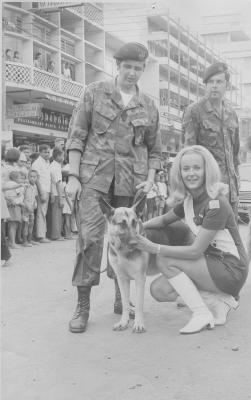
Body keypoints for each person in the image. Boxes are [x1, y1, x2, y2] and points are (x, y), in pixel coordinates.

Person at [65, 42, 162, 333]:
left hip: (131, 183)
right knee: (91, 241)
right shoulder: (94, 92)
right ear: (117, 67)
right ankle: (83, 306)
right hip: (95, 180)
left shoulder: (148, 105)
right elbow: (76, 136)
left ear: (142, 70)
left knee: (129, 240)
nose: (132, 73)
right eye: (127, 67)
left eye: (137, 68)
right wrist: (72, 176)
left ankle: (123, 299)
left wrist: (152, 176)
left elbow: (155, 149)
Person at [134, 145, 248, 334]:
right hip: (210, 265)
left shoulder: (215, 202)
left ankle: (201, 313)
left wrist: (154, 247)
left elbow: (195, 251)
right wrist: (137, 227)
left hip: (231, 268)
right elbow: (163, 220)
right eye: (186, 169)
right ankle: (219, 302)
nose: (191, 173)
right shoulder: (188, 201)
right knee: (160, 290)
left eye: (197, 168)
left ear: (207, 171)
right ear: (179, 173)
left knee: (164, 258)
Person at [182, 62, 241, 221]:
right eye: (210, 82)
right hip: (207, 191)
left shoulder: (232, 113)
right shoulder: (194, 111)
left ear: (226, 85)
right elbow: (188, 155)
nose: (214, 86)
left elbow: (235, 155)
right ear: (205, 85)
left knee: (229, 239)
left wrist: (237, 184)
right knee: (207, 240)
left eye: (219, 82)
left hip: (231, 191)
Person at [32, 144, 51, 243]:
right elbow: (37, 180)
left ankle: (41, 234)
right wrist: (42, 192)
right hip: (41, 191)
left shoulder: (47, 162)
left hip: (47, 190)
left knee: (44, 213)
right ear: (40, 152)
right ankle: (40, 236)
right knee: (41, 213)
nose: (47, 154)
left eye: (48, 152)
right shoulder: (37, 163)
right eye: (45, 152)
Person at [4, 171, 25, 249]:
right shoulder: (15, 185)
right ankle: (12, 242)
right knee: (13, 225)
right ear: (15, 178)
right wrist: (21, 203)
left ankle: (11, 241)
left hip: (11, 206)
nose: (20, 179)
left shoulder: (8, 184)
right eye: (19, 178)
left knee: (12, 225)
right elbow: (18, 196)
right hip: (14, 206)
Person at [49, 147, 65, 240]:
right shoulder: (56, 167)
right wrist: (61, 197)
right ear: (58, 156)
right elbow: (58, 183)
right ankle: (56, 235)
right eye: (62, 155)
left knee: (55, 215)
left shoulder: (54, 165)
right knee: (56, 215)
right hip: (56, 193)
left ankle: (55, 234)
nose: (63, 157)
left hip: (54, 192)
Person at [21, 170, 39, 247]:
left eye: (34, 177)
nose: (32, 178)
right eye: (31, 176)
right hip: (26, 208)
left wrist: (35, 203)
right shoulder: (25, 186)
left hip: (32, 209)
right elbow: (22, 197)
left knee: (31, 224)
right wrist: (26, 205)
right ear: (28, 177)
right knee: (26, 224)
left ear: (37, 178)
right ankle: (25, 241)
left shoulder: (35, 186)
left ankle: (29, 239)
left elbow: (35, 197)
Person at [61, 170, 73, 240]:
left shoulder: (63, 184)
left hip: (65, 203)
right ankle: (68, 234)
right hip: (67, 204)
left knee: (65, 220)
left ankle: (65, 233)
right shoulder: (67, 185)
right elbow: (68, 196)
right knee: (68, 220)